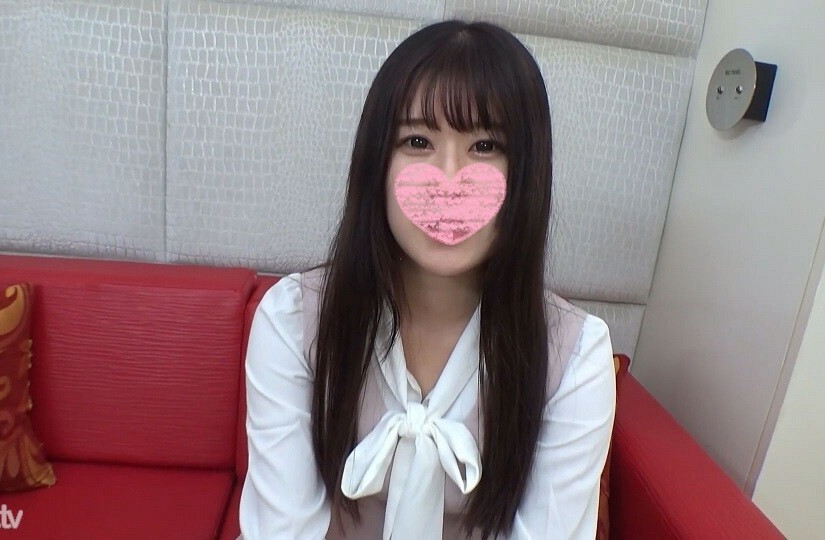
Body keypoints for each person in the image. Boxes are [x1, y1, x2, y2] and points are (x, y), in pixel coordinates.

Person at [238, 19, 616, 540]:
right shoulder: (292, 320)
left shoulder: (575, 357)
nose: (449, 181)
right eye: (417, 140)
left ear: (526, 174)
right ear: (376, 164)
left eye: (485, 146)